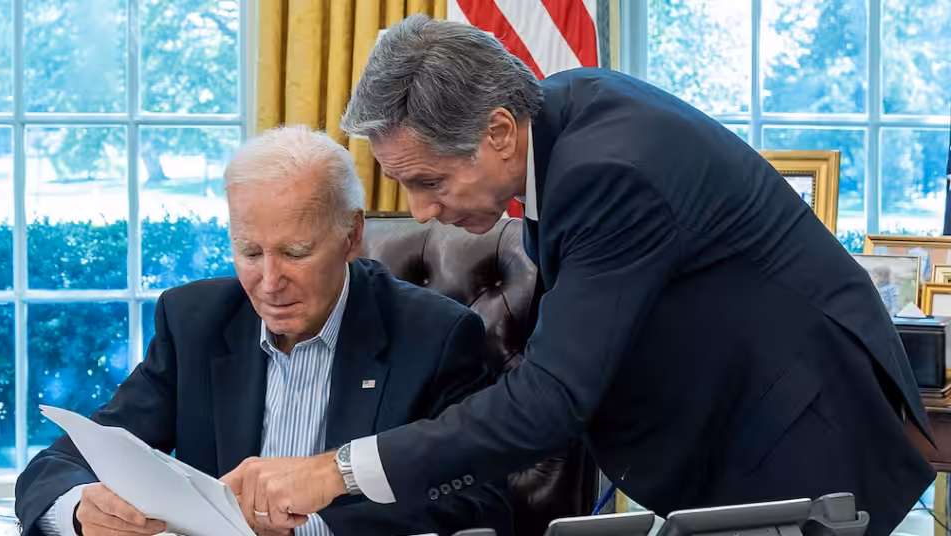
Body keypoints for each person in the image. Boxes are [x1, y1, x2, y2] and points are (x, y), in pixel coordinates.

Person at [233, 15, 936, 536]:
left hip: (803, 435)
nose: (423, 213)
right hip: (742, 423)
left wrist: (337, 470)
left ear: (500, 132)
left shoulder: (608, 173)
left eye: (430, 180)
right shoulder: (563, 114)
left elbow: (549, 401)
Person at [13, 125, 512, 536]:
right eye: (250, 252)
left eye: (295, 253)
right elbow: (61, 463)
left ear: (352, 235)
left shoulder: (436, 336)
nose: (269, 283)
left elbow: (477, 502)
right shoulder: (195, 321)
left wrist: (308, 525)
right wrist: (80, 510)